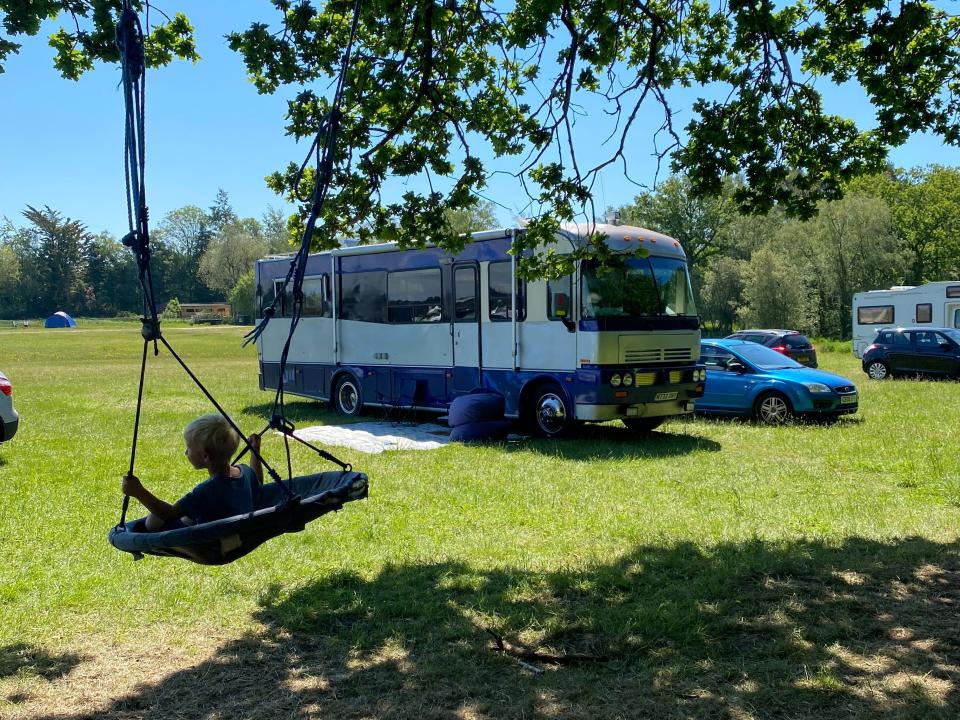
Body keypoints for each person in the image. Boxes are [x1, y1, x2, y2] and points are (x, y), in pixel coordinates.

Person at [121, 414, 263, 531]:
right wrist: (255, 453)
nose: (186, 452)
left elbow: (169, 514)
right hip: (237, 531)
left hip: (209, 538)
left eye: (189, 448)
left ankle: (147, 531)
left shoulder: (206, 491)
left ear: (205, 456)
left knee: (154, 519)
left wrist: (138, 492)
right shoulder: (244, 472)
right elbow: (258, 483)